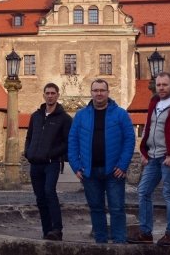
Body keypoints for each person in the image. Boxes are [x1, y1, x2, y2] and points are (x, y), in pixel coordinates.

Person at [129, 72, 170, 247]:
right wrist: (143, 151)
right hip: (152, 157)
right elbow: (147, 128)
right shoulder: (154, 103)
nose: (161, 88)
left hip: (169, 159)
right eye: (158, 85)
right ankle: (145, 233)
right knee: (143, 191)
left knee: (169, 194)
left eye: (165, 85)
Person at [67, 79, 135, 244]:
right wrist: (75, 166)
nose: (99, 93)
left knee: (117, 209)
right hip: (89, 171)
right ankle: (101, 243)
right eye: (95, 90)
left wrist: (123, 164)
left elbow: (129, 140)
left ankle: (120, 243)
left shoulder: (120, 114)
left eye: (102, 90)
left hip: (114, 171)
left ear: (107, 92)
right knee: (96, 209)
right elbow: (72, 141)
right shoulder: (81, 115)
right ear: (91, 93)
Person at [24, 82, 72, 241]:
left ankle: (57, 229)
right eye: (48, 93)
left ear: (58, 95)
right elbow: (29, 137)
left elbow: (67, 142)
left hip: (51, 163)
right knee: (40, 198)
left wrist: (52, 154)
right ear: (44, 95)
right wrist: (28, 153)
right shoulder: (35, 116)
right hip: (35, 163)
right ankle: (47, 231)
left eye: (53, 93)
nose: (50, 95)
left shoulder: (64, 118)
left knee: (49, 192)